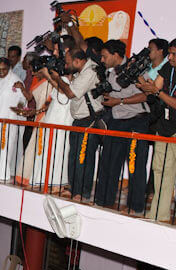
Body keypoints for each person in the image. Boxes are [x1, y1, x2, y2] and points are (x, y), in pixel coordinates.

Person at [94, 40, 150, 214]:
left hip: (137, 121)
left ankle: (135, 207)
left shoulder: (137, 69)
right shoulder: (111, 73)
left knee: (135, 165)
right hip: (117, 121)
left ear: (116, 55)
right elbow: (113, 94)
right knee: (108, 161)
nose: (102, 59)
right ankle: (103, 201)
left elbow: (145, 95)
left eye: (104, 56)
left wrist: (120, 101)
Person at [48, 48, 104, 201]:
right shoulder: (81, 72)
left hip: (89, 119)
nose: (66, 66)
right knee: (74, 156)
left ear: (77, 61)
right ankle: (74, 189)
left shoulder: (90, 72)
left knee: (82, 157)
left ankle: (81, 193)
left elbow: (71, 93)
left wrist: (58, 79)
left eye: (67, 62)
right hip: (79, 119)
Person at [137, 39, 176, 222]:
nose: (170, 57)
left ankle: (162, 215)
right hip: (164, 126)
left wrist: (156, 91)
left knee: (169, 172)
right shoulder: (168, 66)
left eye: (174, 54)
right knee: (159, 169)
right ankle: (157, 214)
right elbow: (155, 88)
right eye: (170, 53)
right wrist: (140, 79)